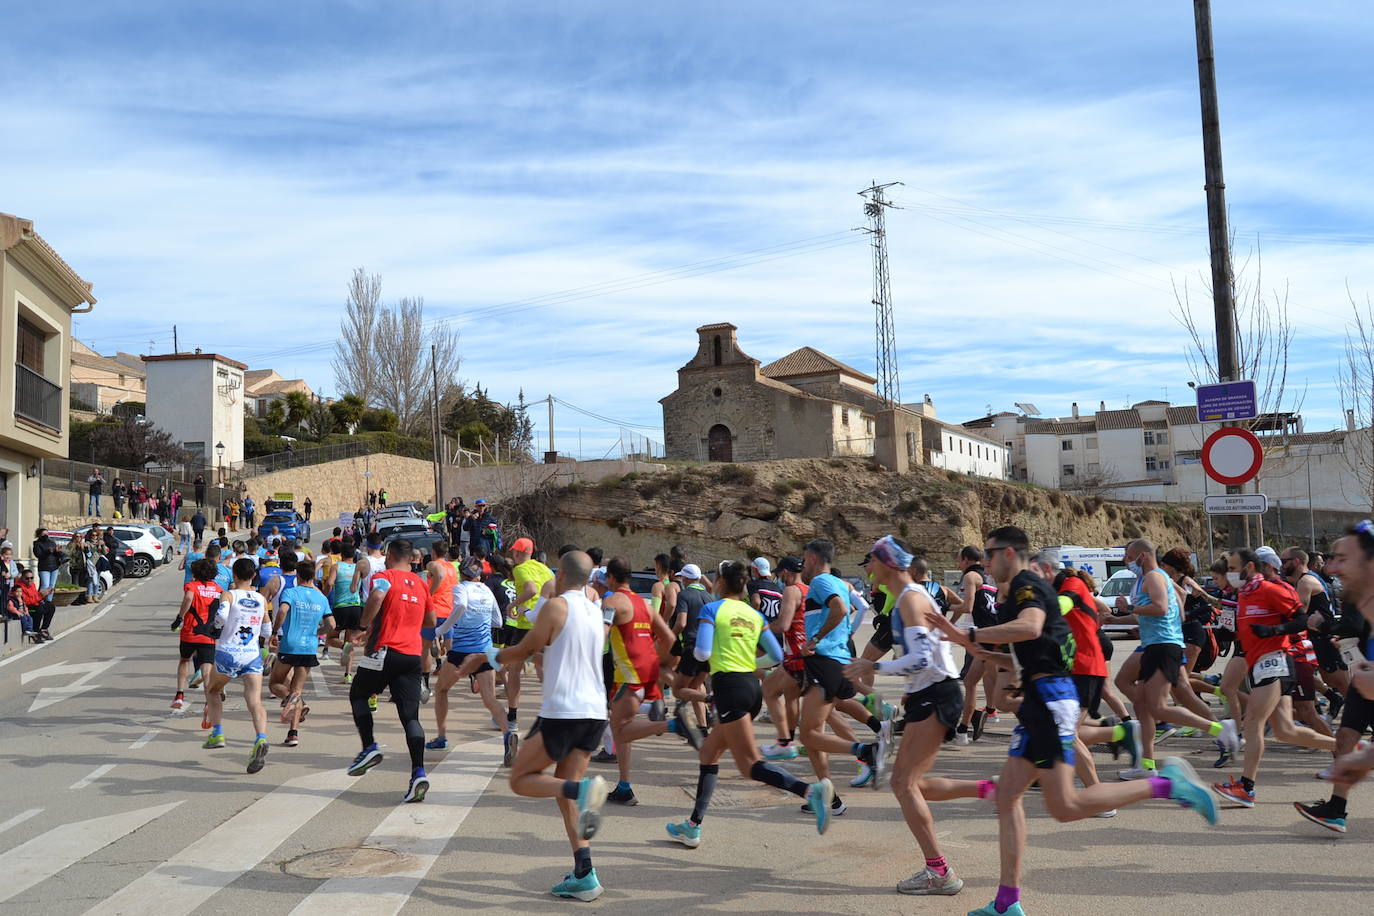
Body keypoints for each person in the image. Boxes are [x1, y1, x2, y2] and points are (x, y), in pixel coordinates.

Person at [932, 526, 1218, 916]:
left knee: (1065, 805)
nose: (985, 561)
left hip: (1051, 702)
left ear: (1011, 554)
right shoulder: (1022, 591)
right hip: (1041, 700)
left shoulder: (1026, 586)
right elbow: (1024, 651)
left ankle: (1167, 784)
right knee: (1008, 797)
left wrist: (970, 633)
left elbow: (1031, 627)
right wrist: (973, 645)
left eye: (990, 553)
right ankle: (1006, 903)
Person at [843, 536, 994, 896]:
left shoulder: (910, 599)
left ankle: (939, 872)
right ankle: (994, 790)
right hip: (932, 693)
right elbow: (933, 651)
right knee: (913, 784)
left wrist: (873, 665)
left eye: (871, 561)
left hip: (937, 695)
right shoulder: (911, 597)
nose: (867, 568)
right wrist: (913, 686)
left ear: (887, 564)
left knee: (903, 784)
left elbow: (923, 658)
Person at [456, 550, 610, 901]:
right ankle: (585, 873)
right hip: (594, 713)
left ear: (561, 575)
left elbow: (523, 649)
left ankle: (584, 792)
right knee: (562, 790)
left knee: (521, 779)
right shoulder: (594, 610)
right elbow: (554, 651)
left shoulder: (558, 607)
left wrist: (486, 657)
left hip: (564, 712)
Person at [664, 559, 835, 850]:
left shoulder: (712, 609)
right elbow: (776, 655)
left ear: (719, 583)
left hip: (729, 688)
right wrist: (748, 663)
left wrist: (717, 654)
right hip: (750, 689)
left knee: (749, 766)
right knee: (708, 753)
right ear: (744, 586)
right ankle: (692, 827)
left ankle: (810, 791)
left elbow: (703, 652)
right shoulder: (754, 616)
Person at [1213, 548, 1338, 808]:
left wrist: (1274, 630)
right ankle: (1348, 748)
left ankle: (1246, 788)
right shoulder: (1244, 594)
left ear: (1249, 567)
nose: (1230, 573)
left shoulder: (1270, 588)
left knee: (1253, 723)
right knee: (1285, 731)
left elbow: (1301, 619)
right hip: (1259, 664)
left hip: (1276, 661)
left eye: (1234, 568)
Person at [1115, 539, 1238, 779]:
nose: (1126, 561)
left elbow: (1161, 607)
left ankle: (1219, 729)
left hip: (1163, 645)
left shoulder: (1153, 576)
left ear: (1141, 556)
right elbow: (1176, 598)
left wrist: (1132, 609)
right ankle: (1146, 765)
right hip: (1156, 644)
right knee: (1146, 702)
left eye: (1129, 557)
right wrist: (1113, 620)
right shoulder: (1151, 578)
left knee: (1160, 705)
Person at [345, 538, 435, 804]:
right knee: (411, 718)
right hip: (411, 656)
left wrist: (364, 624)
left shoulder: (384, 576)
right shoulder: (421, 583)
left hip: (384, 652)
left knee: (359, 695)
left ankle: (369, 746)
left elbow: (376, 595)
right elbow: (430, 620)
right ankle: (418, 772)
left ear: (391, 555)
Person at [1304, 525, 1374, 830]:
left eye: (1343, 559)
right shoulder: (1361, 599)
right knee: (1346, 738)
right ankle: (1336, 808)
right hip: (1364, 673)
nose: (1331, 567)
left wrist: (1324, 625)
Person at [602, 556, 679, 804]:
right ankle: (624, 787)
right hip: (643, 674)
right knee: (622, 730)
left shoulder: (612, 601)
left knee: (620, 729)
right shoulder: (645, 604)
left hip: (627, 675)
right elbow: (669, 639)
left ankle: (674, 726)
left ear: (611, 578)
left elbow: (599, 635)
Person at [429, 557, 517, 760]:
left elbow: (460, 606)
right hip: (485, 650)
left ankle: (441, 736)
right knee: (489, 699)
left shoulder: (460, 588)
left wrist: (442, 629)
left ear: (462, 573)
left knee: (441, 690)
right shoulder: (486, 590)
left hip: (462, 650)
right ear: (479, 574)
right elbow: (498, 620)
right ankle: (507, 734)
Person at [200, 558, 272, 773]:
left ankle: (218, 732)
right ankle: (260, 738)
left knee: (212, 690)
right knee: (254, 701)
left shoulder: (229, 594)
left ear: (235, 576)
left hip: (228, 653)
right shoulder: (260, 598)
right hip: (252, 655)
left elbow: (221, 616)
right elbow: (267, 630)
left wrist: (216, 627)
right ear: (253, 576)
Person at [268, 561, 334, 747]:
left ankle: (290, 699)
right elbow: (332, 625)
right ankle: (293, 733)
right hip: (309, 647)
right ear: (314, 576)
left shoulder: (291, 592)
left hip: (290, 645)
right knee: (298, 690)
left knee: (275, 684)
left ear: (297, 575)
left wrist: (275, 631)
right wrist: (318, 629)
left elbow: (282, 610)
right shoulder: (321, 597)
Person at [951, 546, 1001, 744]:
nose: (957, 563)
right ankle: (965, 729)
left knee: (1002, 686)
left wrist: (942, 607)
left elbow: (967, 607)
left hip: (988, 634)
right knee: (974, 680)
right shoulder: (990, 576)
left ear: (965, 559)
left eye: (958, 559)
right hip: (994, 632)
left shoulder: (970, 576)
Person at [507, 537, 553, 729]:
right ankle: (552, 711)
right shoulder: (545, 568)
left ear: (517, 553)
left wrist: (513, 604)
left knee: (514, 669)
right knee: (548, 667)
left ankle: (512, 716)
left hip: (526, 624)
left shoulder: (519, 569)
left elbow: (531, 589)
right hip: (547, 623)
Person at [169, 558, 221, 714]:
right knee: (207, 670)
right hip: (209, 634)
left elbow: (189, 598)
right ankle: (208, 703)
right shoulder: (218, 590)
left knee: (185, 660)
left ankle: (179, 695)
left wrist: (179, 617)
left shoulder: (191, 586)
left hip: (190, 632)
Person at [32, 528, 63, 597]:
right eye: (44, 534)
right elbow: (38, 555)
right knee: (45, 585)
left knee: (51, 586)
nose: (46, 535)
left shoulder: (52, 542)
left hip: (54, 566)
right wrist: (48, 552)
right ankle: (41, 601)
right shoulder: (37, 543)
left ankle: (48, 602)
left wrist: (58, 551)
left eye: (47, 533)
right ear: (39, 535)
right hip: (44, 567)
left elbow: (57, 555)